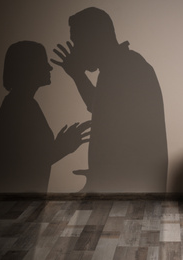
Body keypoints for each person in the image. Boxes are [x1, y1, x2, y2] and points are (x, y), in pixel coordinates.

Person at [51, 8, 168, 192]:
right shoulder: (121, 66)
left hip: (131, 190)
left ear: (94, 40)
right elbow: (101, 108)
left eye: (78, 43)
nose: (75, 50)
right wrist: (77, 75)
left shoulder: (126, 68)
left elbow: (122, 133)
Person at [0, 41, 90, 193]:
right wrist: (63, 146)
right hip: (10, 201)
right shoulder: (20, 105)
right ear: (29, 68)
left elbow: (29, 159)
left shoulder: (21, 102)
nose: (49, 67)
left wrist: (61, 146)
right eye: (43, 62)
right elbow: (24, 165)